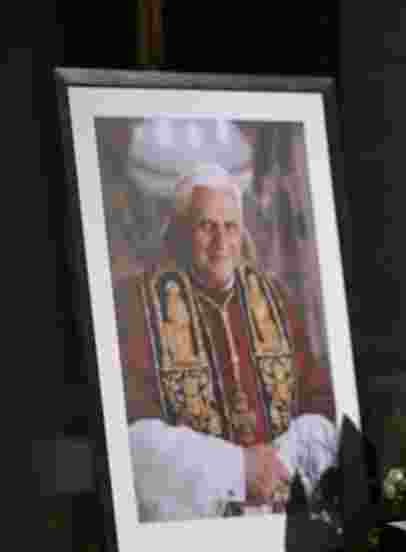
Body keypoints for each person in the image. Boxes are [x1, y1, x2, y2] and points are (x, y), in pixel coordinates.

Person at [113, 163, 338, 522]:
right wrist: (236, 470)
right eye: (206, 226)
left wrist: (280, 462)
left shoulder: (276, 298)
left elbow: (322, 405)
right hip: (201, 523)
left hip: (284, 512)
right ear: (180, 230)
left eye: (230, 227)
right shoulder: (134, 305)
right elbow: (131, 437)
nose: (221, 242)